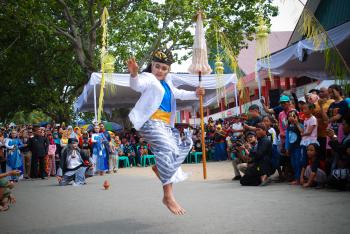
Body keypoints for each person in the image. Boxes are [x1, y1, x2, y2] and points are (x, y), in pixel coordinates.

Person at [127, 49, 204, 215]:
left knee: (176, 152)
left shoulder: (168, 83)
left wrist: (195, 93)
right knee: (168, 150)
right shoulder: (148, 78)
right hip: (150, 122)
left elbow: (179, 94)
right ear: (152, 66)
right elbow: (137, 84)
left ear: (168, 70)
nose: (160, 70)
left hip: (165, 126)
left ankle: (159, 168)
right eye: (157, 66)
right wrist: (134, 74)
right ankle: (168, 196)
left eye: (164, 68)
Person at [285, 110, 304, 185]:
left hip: (298, 147)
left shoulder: (299, 125)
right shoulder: (289, 127)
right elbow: (287, 138)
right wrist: (287, 148)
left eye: (292, 116)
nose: (290, 118)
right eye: (289, 116)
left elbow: (302, 131)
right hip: (291, 148)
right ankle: (296, 177)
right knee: (293, 163)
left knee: (298, 162)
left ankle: (298, 178)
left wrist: (297, 123)